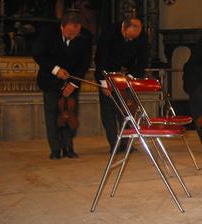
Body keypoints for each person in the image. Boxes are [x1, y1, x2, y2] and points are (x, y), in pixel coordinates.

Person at [33, 11, 92, 159]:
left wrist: (73, 83)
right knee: (52, 115)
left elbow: (84, 63)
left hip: (72, 82)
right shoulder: (47, 33)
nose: (73, 37)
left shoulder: (85, 36)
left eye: (75, 34)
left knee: (70, 114)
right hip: (50, 81)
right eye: (70, 33)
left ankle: (68, 147)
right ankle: (55, 149)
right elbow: (38, 55)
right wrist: (56, 70)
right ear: (62, 26)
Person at [94, 17, 148, 153]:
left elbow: (142, 60)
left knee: (126, 112)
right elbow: (100, 59)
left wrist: (130, 77)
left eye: (133, 39)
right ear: (124, 28)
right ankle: (114, 143)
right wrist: (104, 82)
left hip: (126, 76)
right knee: (109, 112)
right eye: (129, 37)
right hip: (107, 74)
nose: (130, 40)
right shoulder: (109, 33)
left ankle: (126, 143)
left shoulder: (141, 37)